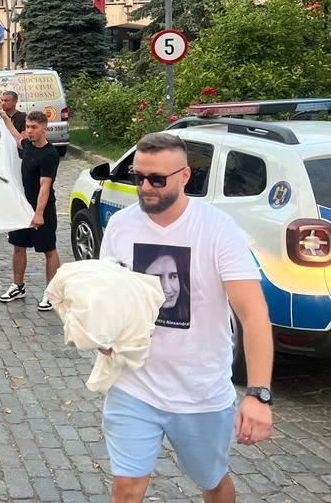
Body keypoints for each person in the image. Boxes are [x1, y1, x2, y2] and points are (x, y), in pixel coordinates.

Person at [98, 132, 272, 503]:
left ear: (184, 177)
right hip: (134, 385)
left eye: (156, 179)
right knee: (127, 487)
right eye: (138, 176)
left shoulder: (217, 228)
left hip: (200, 393)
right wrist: (103, 333)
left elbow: (253, 313)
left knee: (211, 481)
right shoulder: (121, 226)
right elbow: (110, 294)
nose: (145, 187)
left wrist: (258, 393)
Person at [0, 108, 60, 311]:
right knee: (18, 246)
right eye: (28, 127)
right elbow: (15, 136)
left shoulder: (49, 154)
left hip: (42, 209)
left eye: (34, 127)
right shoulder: (28, 145)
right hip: (22, 207)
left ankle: (52, 292)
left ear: (44, 129)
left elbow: (45, 186)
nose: (29, 131)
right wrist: (5, 118)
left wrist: (39, 213)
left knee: (48, 250)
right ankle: (18, 286)